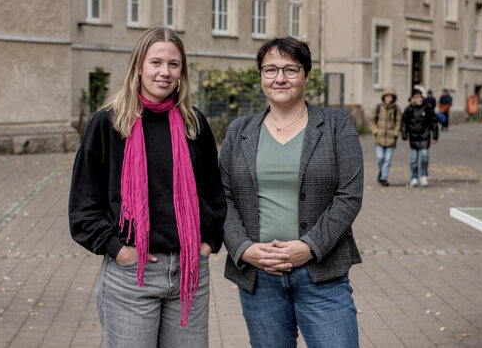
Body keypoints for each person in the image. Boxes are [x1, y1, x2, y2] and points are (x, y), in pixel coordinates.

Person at [68, 27, 227, 347]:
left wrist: (209, 240)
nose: (164, 72)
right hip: (131, 275)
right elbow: (83, 205)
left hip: (189, 274)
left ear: (182, 71)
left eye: (174, 64)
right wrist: (117, 250)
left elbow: (214, 191)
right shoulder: (109, 123)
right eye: (156, 62)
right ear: (138, 66)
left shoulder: (193, 123)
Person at [219, 37, 362, 348]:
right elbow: (223, 197)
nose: (279, 78)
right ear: (260, 76)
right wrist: (243, 248)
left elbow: (349, 196)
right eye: (270, 70)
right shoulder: (239, 131)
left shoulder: (337, 125)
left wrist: (309, 246)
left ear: (306, 76)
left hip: (321, 275)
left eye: (290, 69)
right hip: (260, 277)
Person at [401, 89, 438, 187]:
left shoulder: (427, 108)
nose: (419, 99)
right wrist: (404, 136)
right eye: (416, 98)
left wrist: (435, 135)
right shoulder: (409, 109)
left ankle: (424, 176)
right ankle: (414, 177)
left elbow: (434, 122)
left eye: (420, 97)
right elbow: (404, 123)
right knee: (414, 159)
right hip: (413, 137)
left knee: (425, 157)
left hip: (424, 137)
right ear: (412, 99)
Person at [369, 87, 401, 186]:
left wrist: (396, 133)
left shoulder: (396, 109)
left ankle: (384, 178)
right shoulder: (377, 107)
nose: (389, 99)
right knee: (380, 158)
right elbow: (371, 120)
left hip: (391, 139)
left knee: (387, 159)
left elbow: (398, 122)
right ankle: (381, 171)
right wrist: (375, 131)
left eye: (391, 97)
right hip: (379, 138)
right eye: (387, 96)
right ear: (384, 97)